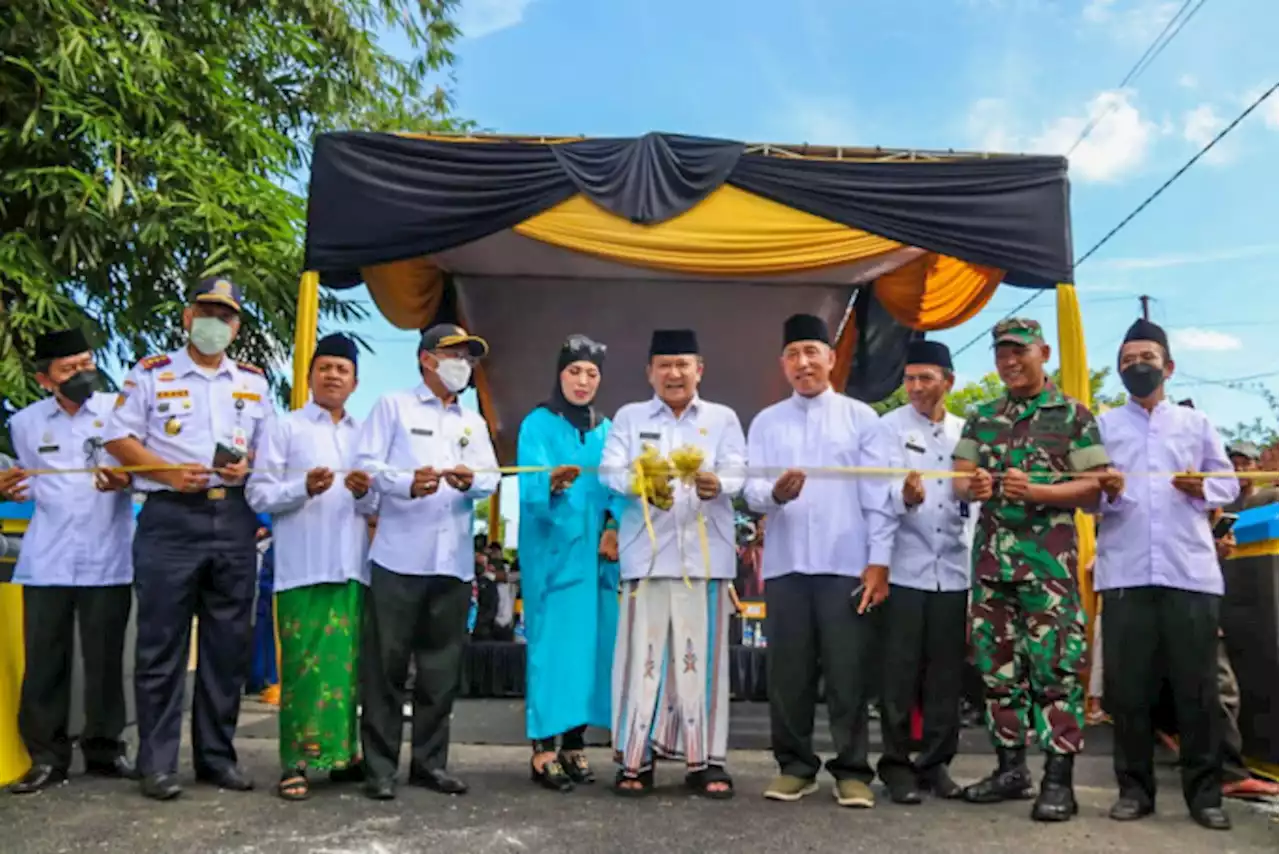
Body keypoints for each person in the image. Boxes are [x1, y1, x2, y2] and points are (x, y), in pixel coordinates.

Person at [104, 277, 272, 801]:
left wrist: (252, 468)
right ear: (186, 317)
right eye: (206, 311)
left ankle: (216, 758)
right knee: (161, 647)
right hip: (170, 518)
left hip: (235, 518)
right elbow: (116, 436)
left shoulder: (255, 382)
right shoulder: (152, 373)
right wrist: (167, 471)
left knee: (227, 647)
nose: (215, 323)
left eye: (225, 315)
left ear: (237, 325)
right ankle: (156, 764)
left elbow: (270, 448)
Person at [951, 318, 1110, 823]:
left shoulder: (1073, 416)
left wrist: (1038, 491)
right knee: (997, 673)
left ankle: (1059, 781)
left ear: (1043, 351)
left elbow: (1094, 489)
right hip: (992, 566)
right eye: (1002, 354)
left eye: (1019, 351)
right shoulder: (981, 416)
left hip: (1049, 572)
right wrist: (971, 487)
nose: (1010, 361)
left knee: (1056, 674)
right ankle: (1010, 770)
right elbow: (957, 479)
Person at [743, 314, 896, 808]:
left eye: (812, 351)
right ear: (783, 364)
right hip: (787, 565)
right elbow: (750, 490)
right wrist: (774, 494)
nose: (803, 362)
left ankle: (852, 771)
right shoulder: (767, 421)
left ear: (831, 358)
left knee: (848, 672)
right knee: (789, 674)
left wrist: (879, 561)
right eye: (793, 355)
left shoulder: (861, 418)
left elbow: (880, 497)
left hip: (845, 563)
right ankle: (795, 767)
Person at [1094, 318, 1238, 830]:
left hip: (1189, 573)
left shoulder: (1195, 425)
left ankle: (1206, 796)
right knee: (1129, 691)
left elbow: (1230, 483)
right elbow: (1089, 498)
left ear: (1169, 366)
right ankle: (1134, 791)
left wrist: (1206, 489)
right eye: (1128, 361)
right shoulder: (1104, 426)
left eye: (1147, 359)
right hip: (1126, 572)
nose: (1138, 367)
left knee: (1196, 690)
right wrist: (1107, 491)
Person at [353, 323, 500, 800]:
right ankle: (379, 768)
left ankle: (430, 764)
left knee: (440, 672)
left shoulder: (471, 421)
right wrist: (405, 483)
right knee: (385, 669)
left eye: (469, 356)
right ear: (426, 359)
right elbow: (367, 466)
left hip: (452, 561)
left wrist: (469, 481)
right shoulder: (393, 405)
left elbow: (492, 478)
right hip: (398, 558)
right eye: (454, 353)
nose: (463, 363)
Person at [600, 328, 746, 799]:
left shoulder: (722, 418)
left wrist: (716, 483)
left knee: (701, 663)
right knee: (640, 662)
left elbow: (739, 470)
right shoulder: (629, 416)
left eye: (683, 364)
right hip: (646, 557)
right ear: (650, 372)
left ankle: (706, 761)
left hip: (705, 560)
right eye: (664, 365)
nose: (674, 373)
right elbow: (609, 469)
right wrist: (641, 481)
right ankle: (636, 760)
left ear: (699, 369)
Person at [246, 333, 377, 801]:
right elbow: (258, 494)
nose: (333, 375)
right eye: (325, 367)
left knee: (346, 668)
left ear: (355, 381)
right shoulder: (285, 427)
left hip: (351, 569)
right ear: (309, 376)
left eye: (343, 369)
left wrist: (365, 492)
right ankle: (295, 761)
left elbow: (376, 502)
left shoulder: (367, 434)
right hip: (301, 567)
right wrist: (303, 486)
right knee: (302, 667)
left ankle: (343, 757)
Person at [6, 328, 136, 794]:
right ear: (45, 380)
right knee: (45, 663)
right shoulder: (24, 423)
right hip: (48, 559)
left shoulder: (119, 414)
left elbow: (145, 478)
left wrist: (125, 483)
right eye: (69, 369)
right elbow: (28, 483)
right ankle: (46, 758)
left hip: (108, 555)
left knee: (104, 661)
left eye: (86, 363)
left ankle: (105, 750)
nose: (83, 374)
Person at [517, 334, 622, 792]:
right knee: (551, 650)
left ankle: (575, 743)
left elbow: (619, 488)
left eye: (591, 374)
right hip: (554, 556)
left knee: (592, 650)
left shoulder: (608, 429)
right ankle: (542, 749)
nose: (582, 381)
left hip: (597, 558)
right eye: (574, 371)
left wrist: (615, 526)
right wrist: (552, 485)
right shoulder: (537, 424)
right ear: (560, 374)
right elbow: (529, 489)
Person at [877, 339, 974, 804]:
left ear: (948, 382)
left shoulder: (966, 431)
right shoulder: (887, 428)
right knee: (897, 676)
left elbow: (973, 493)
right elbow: (874, 494)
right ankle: (896, 766)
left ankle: (936, 765)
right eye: (910, 378)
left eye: (925, 379)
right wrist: (904, 497)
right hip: (904, 568)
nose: (915, 387)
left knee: (945, 677)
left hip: (954, 570)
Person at [1213, 440, 1280, 799]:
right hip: (1228, 601)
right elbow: (1219, 540)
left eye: (1246, 461)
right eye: (1232, 462)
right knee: (1222, 685)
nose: (1239, 468)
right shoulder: (1244, 505)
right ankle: (1225, 769)